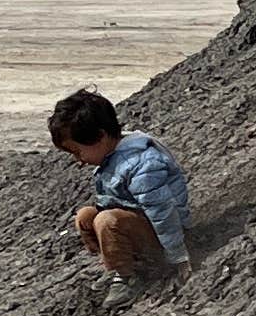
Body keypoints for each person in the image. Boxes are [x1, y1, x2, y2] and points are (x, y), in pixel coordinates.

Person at [49, 86, 191, 285]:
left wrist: (178, 256)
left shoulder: (142, 165)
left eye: (77, 151)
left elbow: (163, 213)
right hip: (138, 222)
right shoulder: (113, 155)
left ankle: (128, 278)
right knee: (86, 217)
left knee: (106, 221)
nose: (78, 160)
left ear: (100, 137)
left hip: (165, 235)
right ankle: (123, 263)